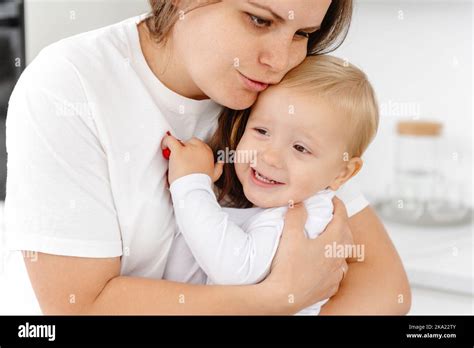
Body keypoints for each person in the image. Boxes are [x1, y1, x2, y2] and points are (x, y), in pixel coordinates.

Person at [4, 0, 410, 314]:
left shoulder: (274, 92)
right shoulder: (69, 86)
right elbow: (81, 306)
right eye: (259, 20)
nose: (279, 60)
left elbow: (385, 286)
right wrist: (276, 298)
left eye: (302, 32)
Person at [162, 55, 379, 316]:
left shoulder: (306, 219)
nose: (270, 157)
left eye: (300, 148)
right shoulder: (286, 202)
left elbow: (234, 270)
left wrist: (190, 183)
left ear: (342, 174)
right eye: (262, 131)